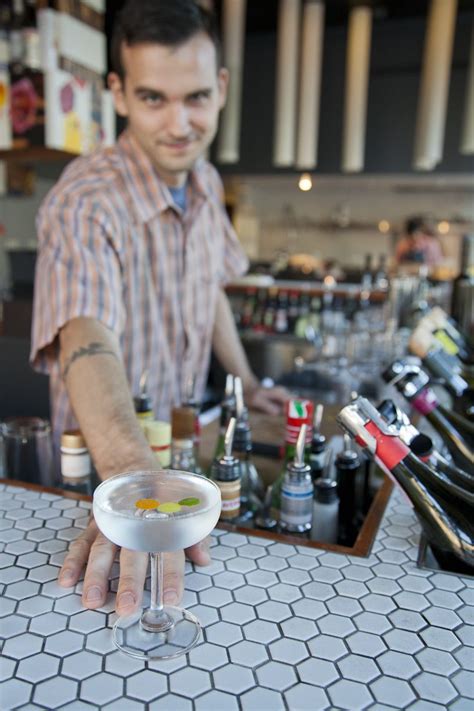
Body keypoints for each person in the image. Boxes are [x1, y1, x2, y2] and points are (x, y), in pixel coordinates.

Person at [30, 0, 288, 617]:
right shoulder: (87, 201)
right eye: (153, 98)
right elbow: (84, 335)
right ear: (117, 93)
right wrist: (132, 483)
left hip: (176, 469)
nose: (179, 123)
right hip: (102, 486)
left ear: (221, 89)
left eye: (196, 97)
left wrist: (246, 383)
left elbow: (211, 289)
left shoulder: (205, 180)